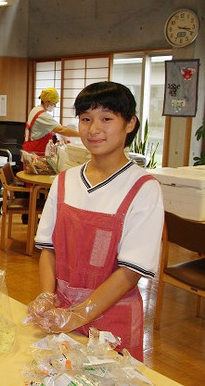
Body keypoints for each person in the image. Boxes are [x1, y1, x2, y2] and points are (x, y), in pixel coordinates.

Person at [27, 81, 164, 361]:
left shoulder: (143, 188)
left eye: (106, 119)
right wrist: (46, 296)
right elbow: (48, 249)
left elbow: (130, 272)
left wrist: (79, 315)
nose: (94, 129)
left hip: (112, 322)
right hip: (60, 315)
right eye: (86, 119)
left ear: (130, 124)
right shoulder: (65, 180)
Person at [23, 87, 80, 155]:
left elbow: (39, 130)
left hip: (29, 148)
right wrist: (80, 135)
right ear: (46, 101)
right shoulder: (42, 115)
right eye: (54, 103)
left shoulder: (35, 109)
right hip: (35, 150)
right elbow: (61, 130)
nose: (55, 106)